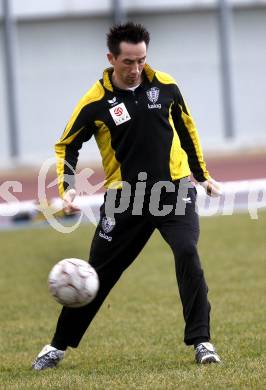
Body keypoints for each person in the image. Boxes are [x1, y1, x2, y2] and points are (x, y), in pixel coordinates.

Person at [32, 22, 222, 370]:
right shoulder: (95, 102)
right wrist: (67, 188)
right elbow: (67, 145)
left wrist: (202, 174)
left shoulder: (165, 86)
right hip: (125, 200)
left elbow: (187, 128)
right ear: (111, 58)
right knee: (95, 275)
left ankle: (202, 342)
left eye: (141, 60)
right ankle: (56, 347)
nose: (136, 69)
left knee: (187, 251)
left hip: (174, 190)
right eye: (128, 62)